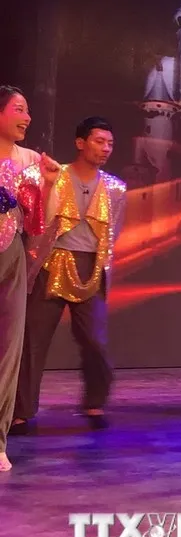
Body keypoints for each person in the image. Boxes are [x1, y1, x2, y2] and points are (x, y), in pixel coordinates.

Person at [13, 117, 125, 436]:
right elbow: (33, 219)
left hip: (90, 266)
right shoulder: (51, 175)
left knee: (95, 340)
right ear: (80, 143)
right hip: (50, 261)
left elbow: (113, 231)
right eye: (99, 141)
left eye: (110, 143)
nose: (106, 148)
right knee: (33, 339)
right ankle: (22, 411)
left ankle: (95, 402)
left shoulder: (115, 188)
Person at [0, 86, 57, 470]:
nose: (27, 118)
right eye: (19, 109)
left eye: (28, 110)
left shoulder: (31, 161)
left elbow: (39, 222)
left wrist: (48, 184)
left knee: (8, 348)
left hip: (11, 254)